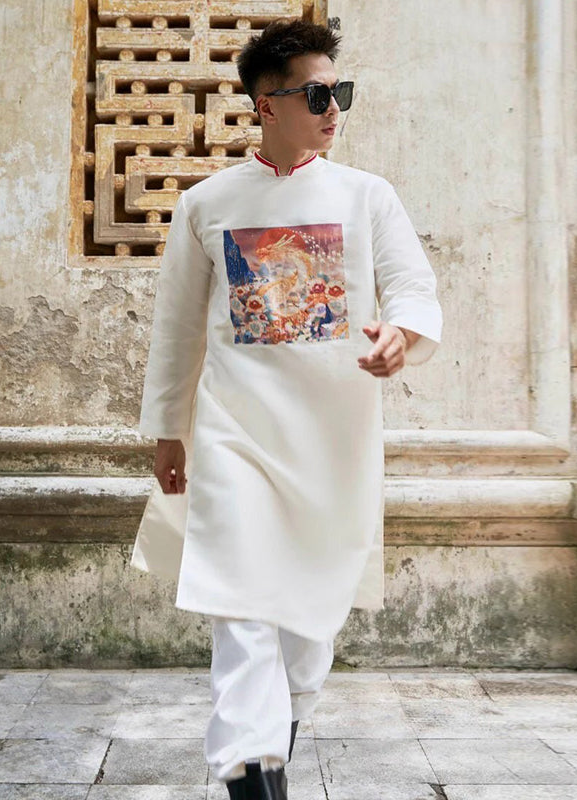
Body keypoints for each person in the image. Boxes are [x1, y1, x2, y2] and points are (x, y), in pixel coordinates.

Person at [130, 18, 443, 800]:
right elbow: (178, 328)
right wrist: (168, 432)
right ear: (267, 105)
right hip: (235, 436)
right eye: (316, 95)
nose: (333, 108)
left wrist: (402, 335)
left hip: (333, 444)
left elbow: (412, 286)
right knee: (241, 612)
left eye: (340, 92)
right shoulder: (207, 204)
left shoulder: (367, 196)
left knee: (308, 633)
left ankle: (277, 737)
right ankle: (252, 773)